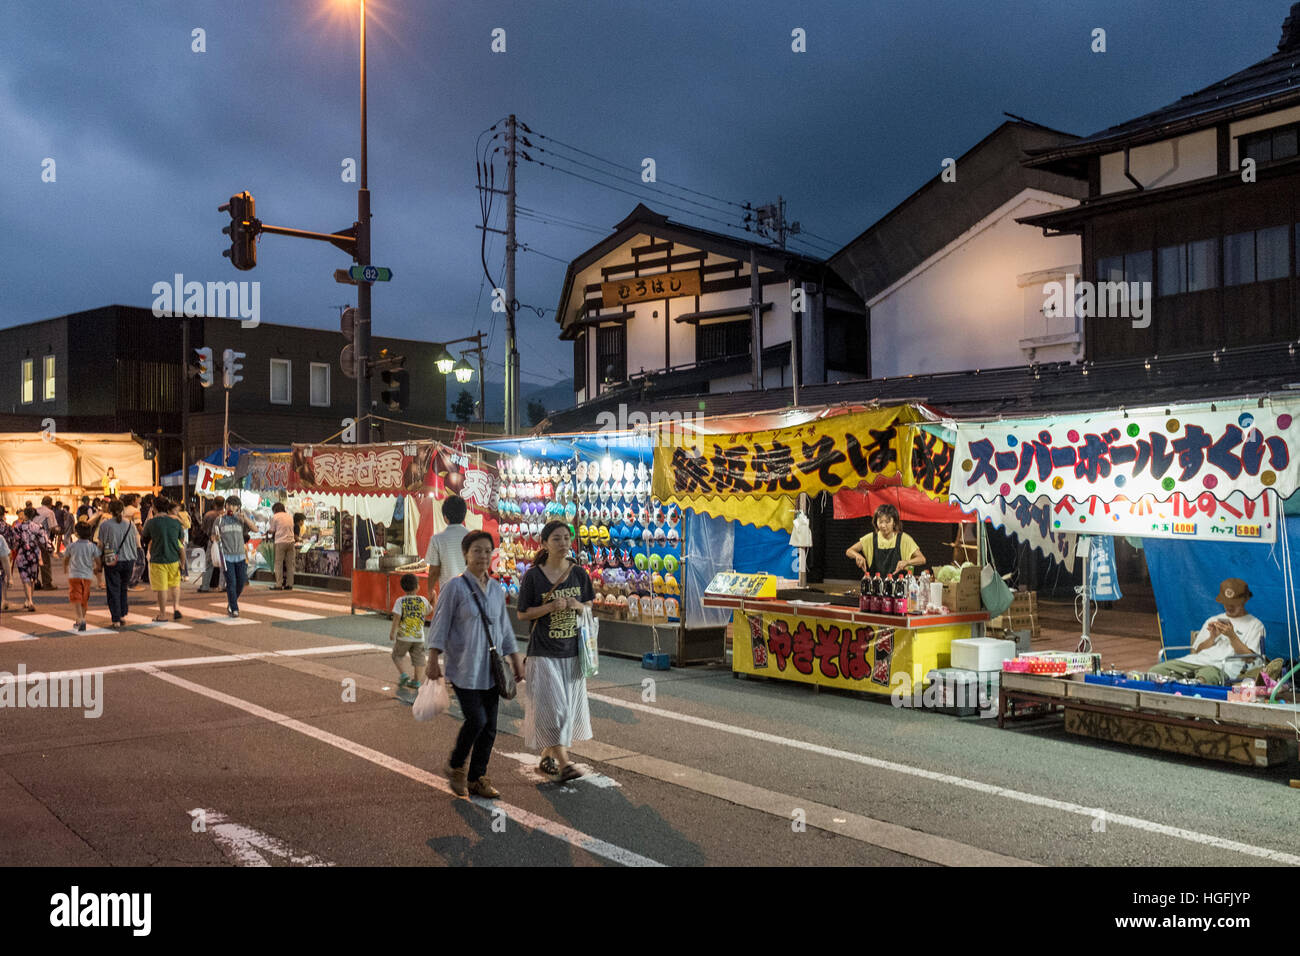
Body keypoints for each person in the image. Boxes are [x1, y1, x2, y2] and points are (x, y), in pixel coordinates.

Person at [426, 531, 524, 799]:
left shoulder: (495, 589)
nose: (482, 556)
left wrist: (515, 658)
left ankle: (476, 778)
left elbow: (503, 628)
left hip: (491, 669)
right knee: (477, 719)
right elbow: (440, 623)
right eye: (476, 551)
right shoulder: (454, 587)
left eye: (487, 551)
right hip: (464, 667)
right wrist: (433, 658)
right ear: (465, 554)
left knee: (490, 726)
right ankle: (456, 765)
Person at [516, 519, 595, 782]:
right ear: (545, 543)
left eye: (566, 538)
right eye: (557, 539)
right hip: (543, 652)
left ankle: (547, 757)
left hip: (572, 652)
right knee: (557, 708)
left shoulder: (579, 573)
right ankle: (565, 764)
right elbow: (522, 614)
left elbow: (590, 607)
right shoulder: (533, 576)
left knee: (566, 711)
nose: (563, 543)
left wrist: (575, 604)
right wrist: (550, 607)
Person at [1148, 578, 1265, 685]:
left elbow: (1251, 658)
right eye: (1225, 602)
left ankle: (1189, 689)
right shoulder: (1213, 620)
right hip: (1196, 662)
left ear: (1246, 599)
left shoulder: (1255, 625)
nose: (1229, 607)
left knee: (1204, 676)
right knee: (1156, 672)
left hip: (1223, 666)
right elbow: (1195, 652)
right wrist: (1212, 638)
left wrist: (1232, 636)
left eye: (1234, 603)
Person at [846, 503, 926, 576]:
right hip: (876, 588)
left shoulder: (904, 539)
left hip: (899, 588)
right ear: (876, 522)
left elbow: (922, 559)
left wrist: (907, 562)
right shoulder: (871, 538)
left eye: (887, 522)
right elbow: (849, 551)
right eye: (880, 522)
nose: (883, 526)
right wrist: (857, 555)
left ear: (894, 522)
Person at [96, 498, 140, 628]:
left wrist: (97, 562)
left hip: (112, 560)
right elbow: (137, 542)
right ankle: (122, 614)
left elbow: (100, 545)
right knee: (123, 587)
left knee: (113, 589)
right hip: (129, 559)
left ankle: (115, 618)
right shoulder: (131, 524)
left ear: (110, 510)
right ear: (122, 510)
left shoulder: (105, 525)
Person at [141, 498, 186, 622]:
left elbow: (144, 537)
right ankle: (176, 607)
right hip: (174, 558)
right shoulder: (175, 522)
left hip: (158, 559)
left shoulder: (152, 522)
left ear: (154, 508)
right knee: (175, 585)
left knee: (162, 588)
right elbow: (181, 540)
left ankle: (162, 614)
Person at [214, 496, 257, 617]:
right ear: (225, 506)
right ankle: (234, 608)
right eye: (229, 505)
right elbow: (213, 536)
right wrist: (216, 538)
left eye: (234, 505)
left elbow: (255, 529)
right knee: (231, 582)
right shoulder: (220, 520)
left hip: (240, 556)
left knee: (241, 581)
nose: (231, 507)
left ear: (238, 507)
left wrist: (245, 519)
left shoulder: (241, 520)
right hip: (226, 556)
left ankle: (232, 602)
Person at [388, 573, 432, 690]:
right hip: (419, 637)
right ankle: (417, 681)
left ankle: (403, 675)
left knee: (396, 656)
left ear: (402, 587)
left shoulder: (400, 601)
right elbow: (428, 612)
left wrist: (392, 632)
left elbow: (396, 618)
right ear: (417, 586)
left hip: (404, 637)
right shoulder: (422, 600)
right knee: (419, 660)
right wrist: (433, 599)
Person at [424, 494, 469, 600]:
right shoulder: (472, 537)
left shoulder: (437, 539)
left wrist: (430, 590)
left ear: (445, 517)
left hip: (448, 595)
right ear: (464, 515)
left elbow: (434, 571)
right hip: (469, 594)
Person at [62, 522, 101, 632]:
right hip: (88, 576)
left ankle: (80, 619)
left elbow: (65, 558)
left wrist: (65, 568)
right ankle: (82, 618)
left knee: (76, 598)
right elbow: (98, 560)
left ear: (76, 533)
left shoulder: (72, 546)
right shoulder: (92, 546)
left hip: (74, 575)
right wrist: (97, 569)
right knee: (84, 598)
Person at [11, 507, 50, 611]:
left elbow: (15, 542)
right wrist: (50, 549)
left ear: (25, 515)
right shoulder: (38, 527)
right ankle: (29, 600)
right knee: (32, 578)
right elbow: (44, 540)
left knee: (25, 578)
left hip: (22, 554)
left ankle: (29, 600)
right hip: (34, 554)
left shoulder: (18, 527)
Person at [268, 502, 297, 590]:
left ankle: (279, 584)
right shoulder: (289, 516)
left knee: (278, 564)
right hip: (291, 542)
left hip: (280, 542)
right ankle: (289, 584)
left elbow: (272, 530)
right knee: (290, 564)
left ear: (275, 510)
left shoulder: (275, 517)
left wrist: (268, 532)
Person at [34, 496, 57, 590]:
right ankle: (47, 583)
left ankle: (34, 583)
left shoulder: (35, 510)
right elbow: (52, 527)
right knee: (45, 561)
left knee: (34, 561)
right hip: (43, 539)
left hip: (32, 538)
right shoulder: (49, 512)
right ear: (50, 504)